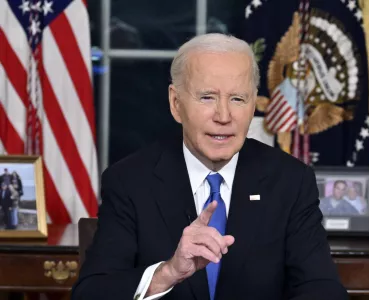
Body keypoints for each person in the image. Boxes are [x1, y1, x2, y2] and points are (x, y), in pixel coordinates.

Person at [72, 34, 347, 300]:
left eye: (237, 99)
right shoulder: (129, 181)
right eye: (207, 97)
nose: (224, 116)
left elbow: (323, 289)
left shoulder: (291, 181)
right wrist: (168, 272)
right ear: (176, 104)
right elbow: (92, 292)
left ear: (253, 106)